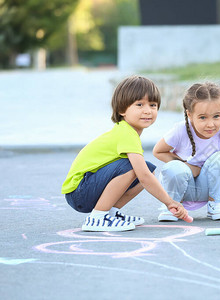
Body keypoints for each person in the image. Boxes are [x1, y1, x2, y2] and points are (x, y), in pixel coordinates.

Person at [61, 75, 188, 232]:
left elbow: (145, 173)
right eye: (139, 104)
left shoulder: (128, 132)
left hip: (85, 190)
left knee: (147, 167)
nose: (147, 111)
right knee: (136, 168)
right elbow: (144, 177)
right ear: (122, 110)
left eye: (153, 105)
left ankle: (111, 213)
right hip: (79, 192)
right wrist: (170, 202)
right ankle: (98, 217)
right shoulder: (126, 133)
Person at [153, 82, 220, 221]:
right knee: (173, 168)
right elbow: (158, 151)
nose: (210, 124)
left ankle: (216, 205)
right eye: (202, 117)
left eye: (216, 116)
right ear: (189, 114)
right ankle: (173, 206)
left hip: (207, 189)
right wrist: (187, 166)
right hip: (182, 187)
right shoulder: (180, 130)